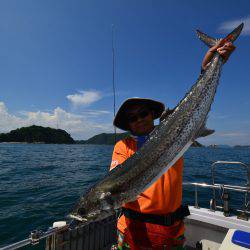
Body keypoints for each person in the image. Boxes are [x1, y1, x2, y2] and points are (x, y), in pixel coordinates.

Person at [110, 41, 235, 250]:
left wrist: (207, 68)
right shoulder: (123, 146)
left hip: (170, 232)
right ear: (128, 124)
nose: (139, 119)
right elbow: (117, 183)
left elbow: (191, 106)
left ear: (152, 114)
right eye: (132, 118)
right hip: (131, 228)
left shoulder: (172, 132)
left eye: (143, 113)